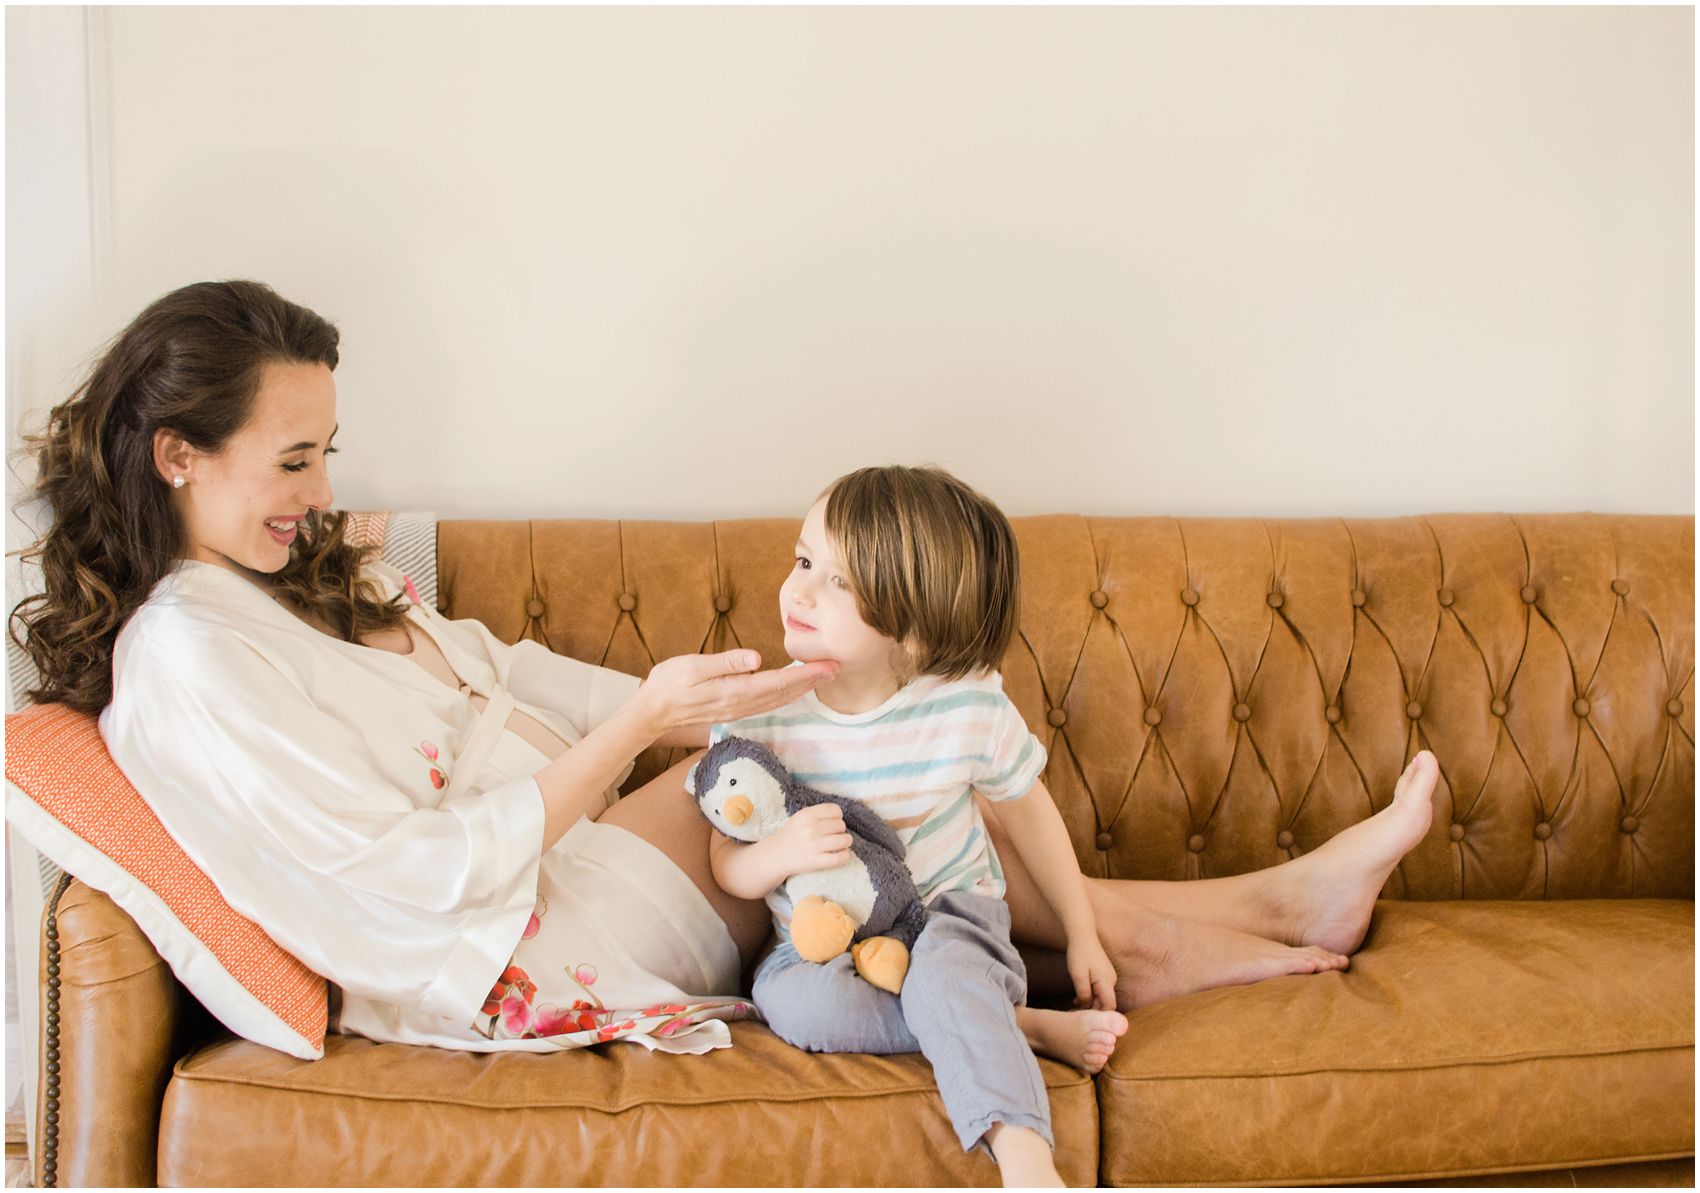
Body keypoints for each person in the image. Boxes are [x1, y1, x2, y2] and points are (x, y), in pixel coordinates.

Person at [11, 279, 1440, 1056]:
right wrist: (651, 724)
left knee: (789, 768)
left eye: (327, 451)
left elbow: (502, 673)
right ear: (176, 453)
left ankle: (1243, 908)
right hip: (497, 951)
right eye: (293, 459)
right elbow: (418, 878)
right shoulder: (194, 657)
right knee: (796, 781)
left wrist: (683, 694)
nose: (322, 490)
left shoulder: (269, 583)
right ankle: (1222, 922)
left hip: (547, 882)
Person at [694, 466, 1128, 1185]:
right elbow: (724, 862)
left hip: (946, 916)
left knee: (944, 979)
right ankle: (1019, 1025)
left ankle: (1026, 1160)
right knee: (794, 1004)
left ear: (912, 627)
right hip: (822, 945)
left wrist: (1082, 930)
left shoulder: (965, 709)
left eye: (839, 582)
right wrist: (776, 853)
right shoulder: (758, 717)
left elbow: (1032, 817)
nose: (799, 590)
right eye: (804, 561)